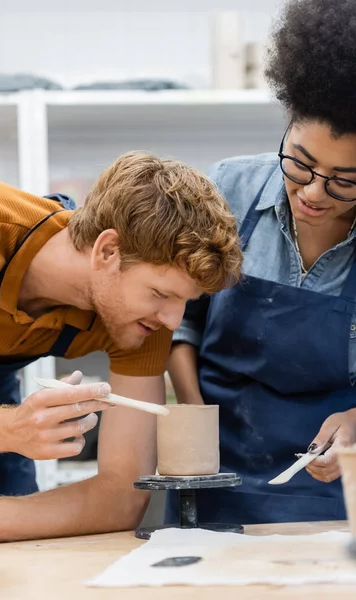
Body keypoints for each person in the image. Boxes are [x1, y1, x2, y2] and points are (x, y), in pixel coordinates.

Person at [0, 151, 241, 540]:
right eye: (159, 293)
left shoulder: (147, 323)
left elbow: (120, 499)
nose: (173, 322)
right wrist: (9, 428)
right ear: (107, 251)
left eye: (185, 302)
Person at [168, 0, 356, 526]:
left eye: (346, 179)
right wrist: (195, 420)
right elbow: (179, 324)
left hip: (336, 495)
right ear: (288, 119)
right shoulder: (227, 189)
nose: (315, 193)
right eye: (300, 161)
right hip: (212, 478)